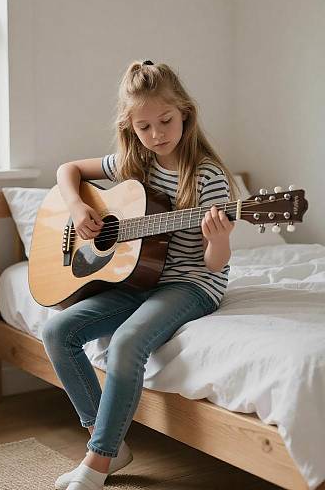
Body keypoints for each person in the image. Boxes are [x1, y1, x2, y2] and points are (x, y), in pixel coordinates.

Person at [41, 59, 240, 490]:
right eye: (144, 127)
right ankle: (109, 443)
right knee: (58, 331)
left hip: (191, 282)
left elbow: (213, 264)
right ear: (131, 128)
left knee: (127, 342)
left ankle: (97, 461)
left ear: (184, 112)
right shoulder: (135, 160)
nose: (157, 135)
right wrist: (80, 208)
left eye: (165, 121)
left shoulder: (209, 178)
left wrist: (220, 239)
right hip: (135, 278)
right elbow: (67, 170)